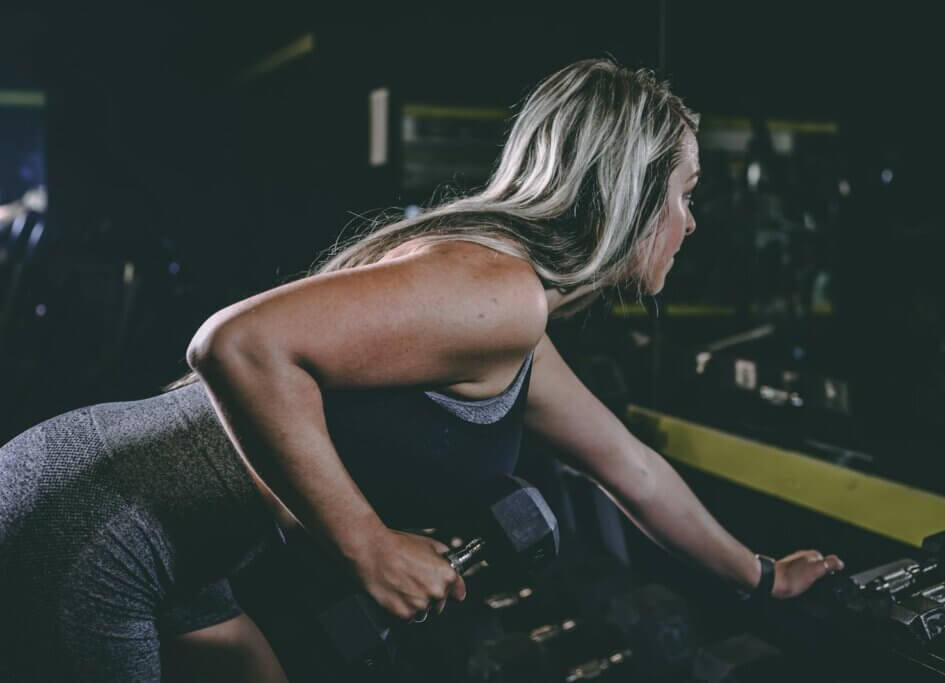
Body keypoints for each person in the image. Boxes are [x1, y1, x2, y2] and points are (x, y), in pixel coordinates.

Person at [0, 58, 843, 682]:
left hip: (174, 543)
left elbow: (632, 468)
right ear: (632, 191)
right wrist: (371, 547)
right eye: (686, 194)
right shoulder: (500, 292)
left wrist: (763, 577)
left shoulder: (514, 318)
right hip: (91, 524)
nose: (690, 223)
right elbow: (236, 345)